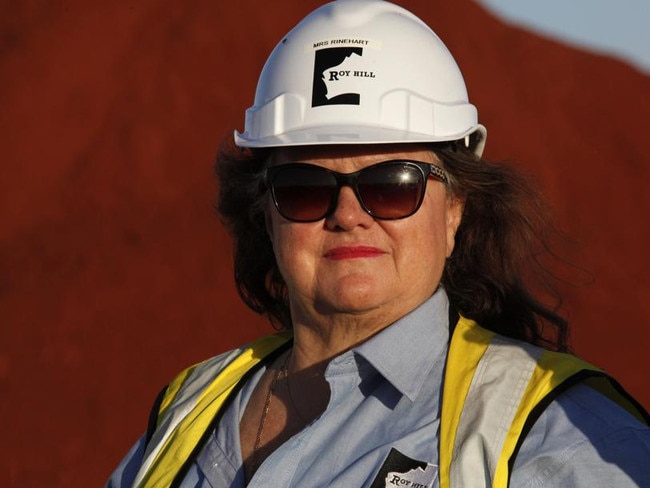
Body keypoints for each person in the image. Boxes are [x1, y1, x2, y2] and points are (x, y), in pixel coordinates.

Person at [107, 1, 650, 487]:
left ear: (455, 209)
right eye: (304, 188)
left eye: (392, 186)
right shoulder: (189, 410)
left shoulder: (558, 440)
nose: (348, 215)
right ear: (265, 215)